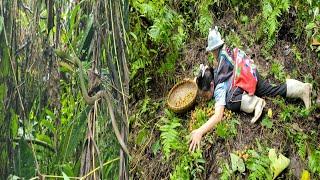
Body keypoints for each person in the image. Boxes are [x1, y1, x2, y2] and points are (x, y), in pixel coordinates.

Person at [188, 27, 312, 152]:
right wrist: (195, 81)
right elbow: (200, 77)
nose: (205, 97)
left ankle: (256, 103)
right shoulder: (219, 63)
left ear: (211, 85)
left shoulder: (219, 87)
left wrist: (200, 131)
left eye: (205, 94)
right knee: (270, 90)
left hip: (245, 78)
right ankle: (302, 89)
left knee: (230, 101)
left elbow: (218, 115)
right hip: (249, 71)